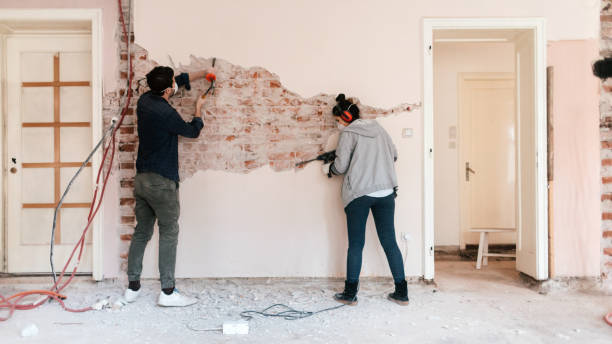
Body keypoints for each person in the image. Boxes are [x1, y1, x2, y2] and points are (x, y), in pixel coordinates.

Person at [123, 65, 215, 307]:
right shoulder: (166, 114)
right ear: (166, 90)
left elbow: (177, 80)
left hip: (141, 180)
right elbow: (191, 131)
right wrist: (198, 109)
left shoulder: (144, 101)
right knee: (169, 232)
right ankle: (167, 292)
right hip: (162, 182)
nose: (176, 84)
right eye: (172, 83)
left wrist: (203, 72)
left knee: (142, 231)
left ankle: (132, 288)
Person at [322, 93, 409, 306]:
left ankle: (350, 294)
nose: (338, 125)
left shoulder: (348, 134)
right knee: (389, 242)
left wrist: (329, 169)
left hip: (360, 194)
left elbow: (341, 167)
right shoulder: (380, 130)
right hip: (386, 192)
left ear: (345, 118)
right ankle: (402, 292)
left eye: (338, 121)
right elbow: (394, 154)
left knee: (356, 244)